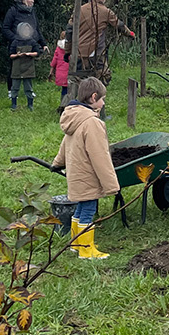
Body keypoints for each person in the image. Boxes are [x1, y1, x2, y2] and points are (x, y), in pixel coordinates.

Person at [50, 76, 120, 259]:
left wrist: (58, 162)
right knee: (88, 209)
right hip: (88, 174)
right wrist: (111, 185)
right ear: (93, 97)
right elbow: (100, 156)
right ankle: (87, 250)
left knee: (81, 207)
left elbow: (65, 143)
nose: (103, 103)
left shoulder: (74, 118)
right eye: (103, 99)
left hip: (76, 173)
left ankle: (76, 244)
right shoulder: (91, 123)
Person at [71, 0, 135, 83]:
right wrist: (130, 34)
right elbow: (119, 25)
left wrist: (68, 50)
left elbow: (69, 29)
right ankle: (97, 96)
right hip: (97, 53)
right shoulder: (106, 11)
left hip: (79, 52)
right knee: (103, 77)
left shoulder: (80, 10)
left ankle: (78, 97)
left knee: (79, 80)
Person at [1, 0, 45, 105]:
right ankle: (11, 90)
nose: (32, 1)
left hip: (31, 44)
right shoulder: (13, 11)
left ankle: (29, 90)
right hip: (17, 44)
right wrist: (16, 39)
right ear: (24, 0)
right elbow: (5, 28)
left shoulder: (32, 12)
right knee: (14, 67)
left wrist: (43, 43)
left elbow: (37, 29)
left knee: (28, 67)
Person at [50, 37, 70, 105]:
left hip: (60, 72)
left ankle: (62, 104)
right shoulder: (72, 47)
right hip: (70, 71)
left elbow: (55, 60)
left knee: (64, 89)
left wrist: (51, 70)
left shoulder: (59, 48)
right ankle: (69, 104)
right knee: (71, 89)